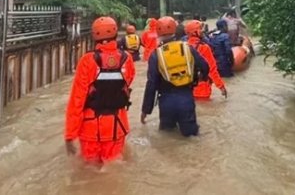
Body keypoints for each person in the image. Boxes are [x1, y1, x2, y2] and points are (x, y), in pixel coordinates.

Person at [64, 16, 135, 164]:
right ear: (116, 33)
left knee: (89, 170)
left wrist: (70, 134)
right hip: (117, 125)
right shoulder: (127, 58)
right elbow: (127, 82)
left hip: (90, 128)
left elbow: (77, 99)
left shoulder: (87, 60)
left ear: (94, 35)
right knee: (113, 167)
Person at [141, 16, 209, 136]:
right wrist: (201, 78)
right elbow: (205, 66)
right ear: (175, 30)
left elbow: (151, 84)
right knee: (191, 136)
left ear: (158, 32)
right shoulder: (188, 48)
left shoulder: (156, 55)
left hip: (166, 101)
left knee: (167, 136)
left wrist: (146, 110)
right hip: (186, 98)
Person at [185, 20, 227, 100]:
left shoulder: (183, 47)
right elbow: (212, 69)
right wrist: (221, 86)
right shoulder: (204, 48)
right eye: (200, 29)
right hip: (202, 90)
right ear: (195, 32)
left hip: (187, 91)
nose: (203, 31)